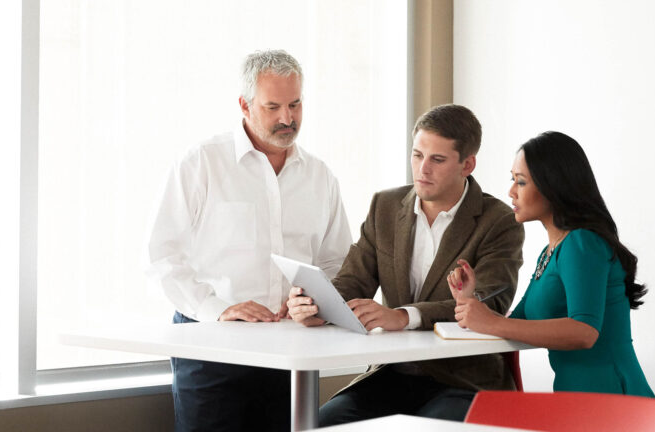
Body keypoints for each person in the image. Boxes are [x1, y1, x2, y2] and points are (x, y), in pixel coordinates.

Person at [145, 50, 353, 431]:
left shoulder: (321, 177)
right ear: (244, 105)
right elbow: (163, 255)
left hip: (292, 353)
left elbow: (335, 263)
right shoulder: (201, 163)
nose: (287, 118)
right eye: (272, 106)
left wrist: (314, 303)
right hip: (211, 349)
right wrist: (217, 308)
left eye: (295, 104)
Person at [288, 104, 525, 425]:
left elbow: (489, 302)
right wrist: (314, 305)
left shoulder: (498, 221)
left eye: (437, 160)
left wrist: (404, 316)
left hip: (464, 381)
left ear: (467, 164)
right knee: (321, 423)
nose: (422, 169)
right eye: (417, 155)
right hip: (391, 375)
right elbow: (352, 283)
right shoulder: (385, 207)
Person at [450, 131, 654, 397]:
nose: (510, 191)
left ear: (553, 185)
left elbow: (584, 332)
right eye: (512, 180)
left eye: (520, 182)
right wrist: (470, 300)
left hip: (613, 400)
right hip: (577, 400)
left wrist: (490, 323)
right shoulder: (551, 252)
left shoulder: (582, 243)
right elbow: (517, 324)